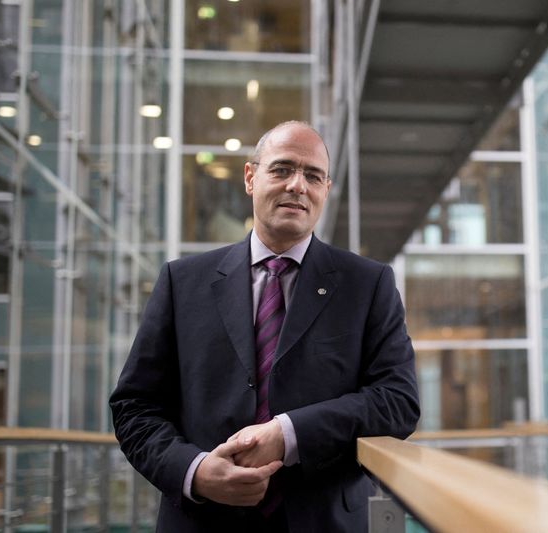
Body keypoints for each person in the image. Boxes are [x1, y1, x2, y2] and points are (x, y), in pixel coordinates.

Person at [109, 121, 420, 532]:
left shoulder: (368, 284)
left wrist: (289, 434)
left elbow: (397, 401)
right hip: (203, 521)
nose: (297, 185)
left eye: (313, 175)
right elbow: (135, 407)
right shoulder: (182, 283)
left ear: (326, 189)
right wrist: (195, 471)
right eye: (282, 169)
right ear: (250, 177)